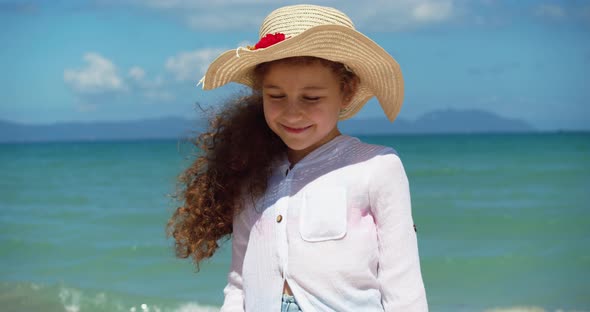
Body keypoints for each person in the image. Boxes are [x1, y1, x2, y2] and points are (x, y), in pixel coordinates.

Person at [167, 4, 428, 312]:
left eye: (311, 97)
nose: (293, 111)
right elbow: (239, 282)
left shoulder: (377, 166)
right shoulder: (253, 172)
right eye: (276, 96)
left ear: (346, 91)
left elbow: (402, 283)